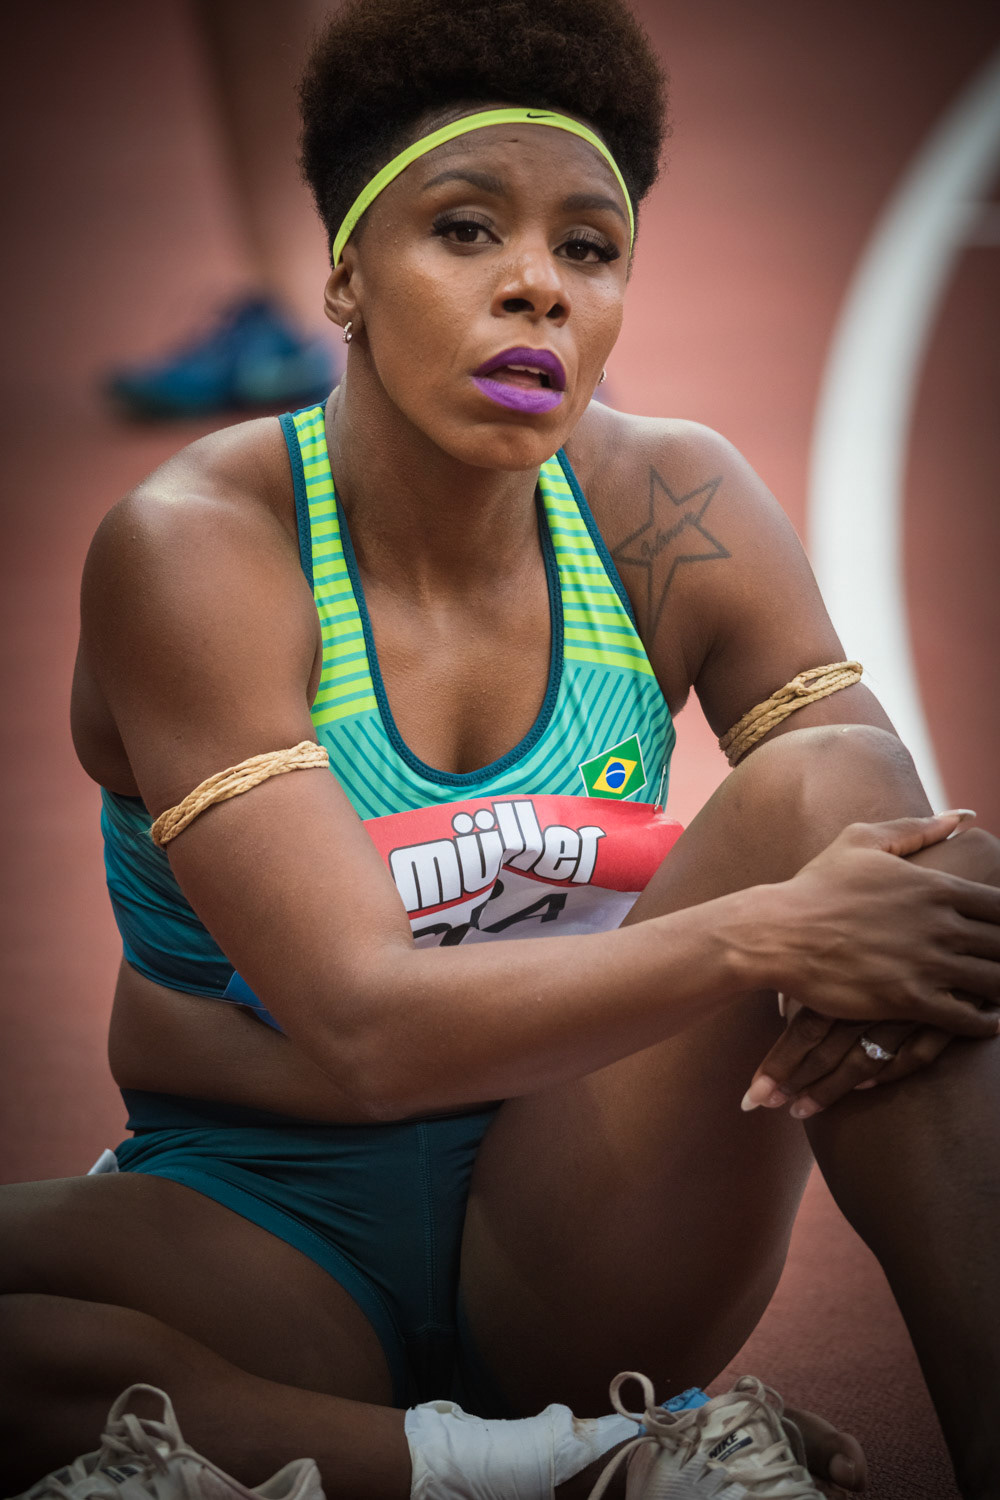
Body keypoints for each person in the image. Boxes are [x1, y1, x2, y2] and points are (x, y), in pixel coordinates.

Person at [3, 0, 999, 1497]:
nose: (536, 285)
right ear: (344, 274)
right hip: (264, 1235)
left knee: (852, 803)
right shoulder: (198, 549)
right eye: (465, 231)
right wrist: (771, 935)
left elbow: (913, 878)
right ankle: (588, 1464)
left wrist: (896, 923)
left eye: (588, 249)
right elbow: (364, 1026)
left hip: (588, 1206)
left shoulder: (672, 507)